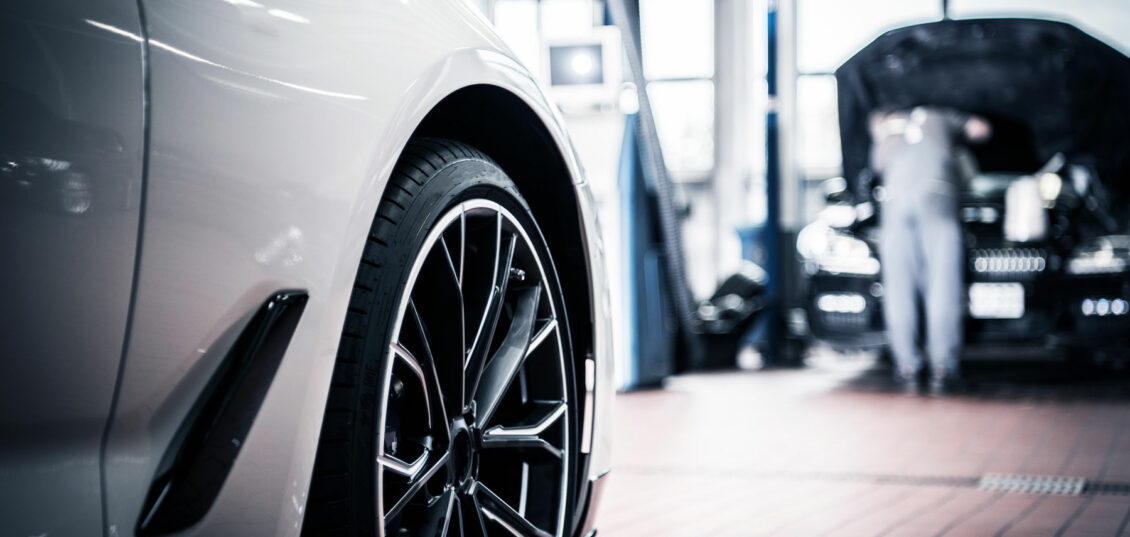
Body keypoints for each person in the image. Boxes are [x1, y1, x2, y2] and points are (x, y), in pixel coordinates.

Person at [868, 106, 991, 392]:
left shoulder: (886, 125)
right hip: (936, 196)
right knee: (943, 285)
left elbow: (876, 167)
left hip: (894, 204)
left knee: (898, 288)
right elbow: (981, 129)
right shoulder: (940, 116)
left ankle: (907, 364)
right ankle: (943, 365)